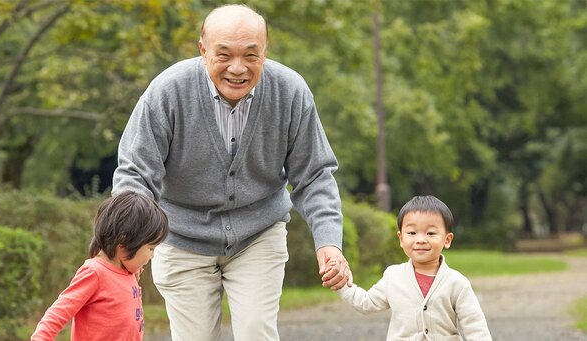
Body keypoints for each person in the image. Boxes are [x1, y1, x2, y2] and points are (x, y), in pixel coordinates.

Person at [111, 4, 350, 340]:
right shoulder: (168, 91)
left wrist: (329, 242)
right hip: (181, 237)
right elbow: (135, 173)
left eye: (251, 55)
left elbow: (314, 175)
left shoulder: (290, 91)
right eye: (224, 55)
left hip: (258, 235)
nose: (237, 68)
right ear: (203, 50)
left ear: (265, 52)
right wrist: (128, 239)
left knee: (256, 331)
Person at [328, 195, 492, 340]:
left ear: (447, 240)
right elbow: (367, 303)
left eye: (430, 233)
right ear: (401, 238)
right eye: (412, 233)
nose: (420, 239)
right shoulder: (393, 276)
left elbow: (474, 325)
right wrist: (343, 284)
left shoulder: (457, 283)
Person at [31, 191, 169, 341]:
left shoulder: (127, 273)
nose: (152, 256)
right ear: (124, 243)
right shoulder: (95, 273)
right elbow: (59, 312)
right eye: (151, 249)